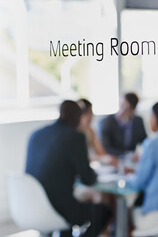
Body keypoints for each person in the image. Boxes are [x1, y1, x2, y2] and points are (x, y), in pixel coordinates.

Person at [25, 100, 111, 237]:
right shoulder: (75, 137)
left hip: (29, 205)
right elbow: (87, 179)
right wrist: (94, 173)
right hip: (57, 208)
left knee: (71, 204)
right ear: (79, 117)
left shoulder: (37, 134)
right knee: (103, 212)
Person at [126, 101, 158, 232]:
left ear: (155, 119)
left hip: (157, 216)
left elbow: (139, 182)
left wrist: (126, 179)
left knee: (125, 216)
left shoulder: (152, 144)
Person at [100, 92, 147, 157]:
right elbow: (106, 149)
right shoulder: (106, 122)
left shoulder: (138, 121)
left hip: (131, 161)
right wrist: (126, 154)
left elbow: (145, 141)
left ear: (133, 110)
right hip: (114, 159)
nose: (122, 111)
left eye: (127, 108)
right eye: (122, 106)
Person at [77, 98, 117, 165]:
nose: (90, 117)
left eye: (91, 113)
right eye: (87, 113)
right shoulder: (72, 132)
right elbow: (78, 158)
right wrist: (99, 158)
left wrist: (109, 158)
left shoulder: (90, 130)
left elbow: (101, 152)